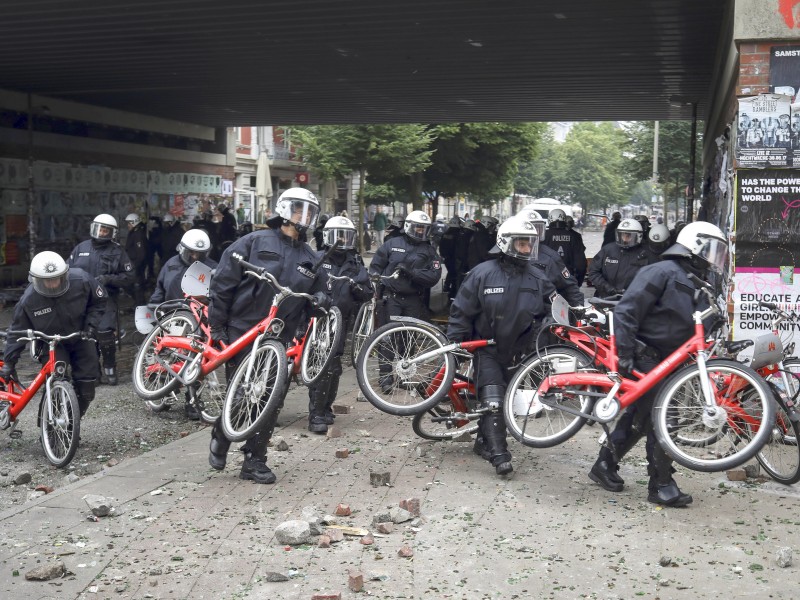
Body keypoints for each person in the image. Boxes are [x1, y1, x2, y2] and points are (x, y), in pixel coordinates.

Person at [588, 220, 729, 507]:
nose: (715, 258)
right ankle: (661, 483)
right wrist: (625, 354)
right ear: (694, 246)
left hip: (672, 361)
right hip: (646, 356)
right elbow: (627, 312)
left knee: (641, 419)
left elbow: (700, 323)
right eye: (711, 249)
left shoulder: (697, 280)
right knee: (663, 418)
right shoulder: (660, 271)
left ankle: (605, 465)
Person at [207, 188, 329, 484]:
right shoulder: (253, 241)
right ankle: (222, 435)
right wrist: (218, 326)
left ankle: (255, 460)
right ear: (285, 209)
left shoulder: (311, 257)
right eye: (300, 209)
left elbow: (322, 292)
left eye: (311, 211)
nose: (306, 216)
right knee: (242, 392)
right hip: (244, 329)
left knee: (271, 399)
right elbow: (223, 282)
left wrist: (322, 301)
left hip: (280, 336)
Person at [448, 216, 556, 476]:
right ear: (506, 243)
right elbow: (462, 309)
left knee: (505, 400)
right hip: (488, 347)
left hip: (521, 352)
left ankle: (483, 442)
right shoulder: (482, 273)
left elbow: (552, 310)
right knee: (494, 400)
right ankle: (500, 456)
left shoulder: (538, 276)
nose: (528, 249)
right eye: (522, 244)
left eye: (530, 244)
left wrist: (541, 339)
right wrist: (456, 341)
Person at [0, 251, 106, 417]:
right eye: (46, 281)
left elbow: (99, 301)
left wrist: (91, 325)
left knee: (87, 387)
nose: (52, 284)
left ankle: (71, 423)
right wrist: (9, 363)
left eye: (56, 278)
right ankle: (49, 425)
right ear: (35, 280)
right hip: (51, 343)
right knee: (56, 377)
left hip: (81, 335)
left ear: (65, 274)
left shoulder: (82, 280)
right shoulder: (28, 301)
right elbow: (16, 332)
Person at [307, 216, 371, 433]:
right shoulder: (316, 258)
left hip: (341, 322)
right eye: (337, 236)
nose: (342, 241)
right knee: (320, 366)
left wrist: (357, 289)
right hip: (316, 321)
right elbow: (302, 285)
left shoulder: (355, 263)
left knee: (334, 367)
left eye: (346, 236)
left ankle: (325, 408)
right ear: (327, 236)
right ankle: (315, 414)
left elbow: (368, 292)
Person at [369, 210, 442, 391]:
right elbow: (375, 266)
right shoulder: (392, 243)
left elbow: (433, 276)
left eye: (424, 229)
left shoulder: (429, 251)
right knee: (386, 339)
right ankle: (385, 378)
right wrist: (376, 283)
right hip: (390, 298)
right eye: (417, 228)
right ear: (409, 226)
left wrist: (412, 273)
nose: (420, 232)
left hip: (413, 300)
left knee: (408, 339)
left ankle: (404, 375)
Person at [149, 228, 218, 420]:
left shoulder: (213, 268)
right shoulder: (170, 265)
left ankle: (193, 400)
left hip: (198, 320)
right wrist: (154, 306)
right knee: (165, 356)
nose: (195, 256)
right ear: (182, 249)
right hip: (171, 317)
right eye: (192, 253)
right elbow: (159, 290)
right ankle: (161, 388)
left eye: (200, 254)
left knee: (196, 360)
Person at [68, 214, 134, 386]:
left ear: (111, 233)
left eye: (106, 230)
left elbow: (129, 277)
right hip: (82, 300)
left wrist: (109, 279)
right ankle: (93, 371)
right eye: (99, 228)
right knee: (86, 336)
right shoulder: (81, 248)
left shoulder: (117, 251)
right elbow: (67, 271)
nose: (102, 232)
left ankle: (110, 368)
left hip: (106, 299)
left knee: (105, 334)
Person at [587, 218, 650, 298]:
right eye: (622, 235)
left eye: (629, 236)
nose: (625, 238)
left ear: (639, 236)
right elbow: (593, 271)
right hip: (606, 297)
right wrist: (608, 288)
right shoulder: (608, 250)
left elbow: (653, 279)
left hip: (633, 300)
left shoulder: (645, 254)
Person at [542, 208, 587, 285]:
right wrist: (578, 282)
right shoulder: (575, 236)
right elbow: (580, 264)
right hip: (568, 280)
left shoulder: (543, 236)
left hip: (547, 279)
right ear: (564, 220)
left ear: (549, 220)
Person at [124, 213, 148, 306]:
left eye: (129, 223)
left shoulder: (138, 235)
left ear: (134, 223)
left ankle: (140, 305)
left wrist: (135, 266)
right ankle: (137, 304)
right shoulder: (133, 233)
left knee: (137, 286)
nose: (128, 225)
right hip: (133, 264)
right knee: (132, 285)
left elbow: (141, 254)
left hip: (136, 265)